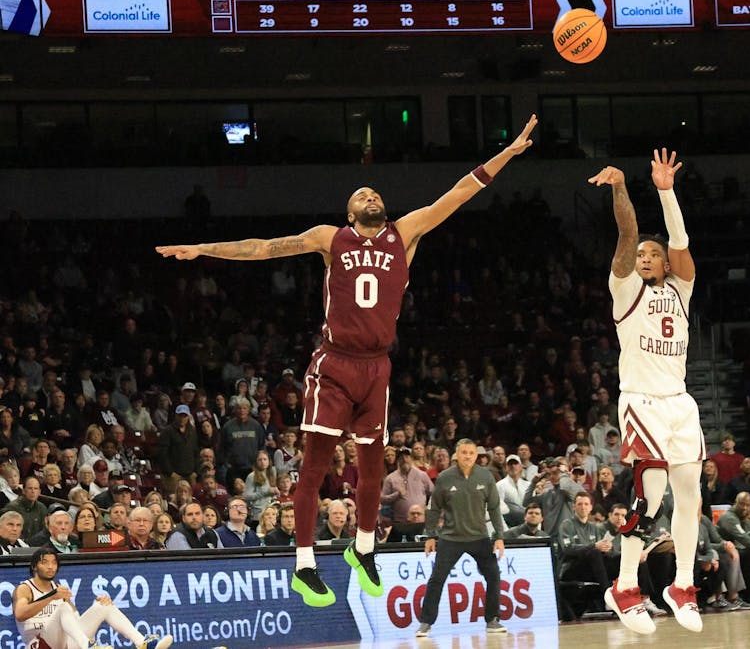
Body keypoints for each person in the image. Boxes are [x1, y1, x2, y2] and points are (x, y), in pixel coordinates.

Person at [157, 115, 537, 607]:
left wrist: (507, 153)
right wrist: (203, 249)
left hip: (377, 366)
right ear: (349, 211)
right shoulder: (328, 237)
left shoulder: (407, 233)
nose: (370, 196)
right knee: (314, 464)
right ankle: (305, 564)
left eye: (374, 193)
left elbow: (459, 193)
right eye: (361, 195)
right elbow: (264, 249)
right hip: (334, 363)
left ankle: (363, 549)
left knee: (372, 467)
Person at [589, 149, 704, 634]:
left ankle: (681, 585)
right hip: (641, 400)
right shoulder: (625, 289)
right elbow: (627, 234)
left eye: (652, 255)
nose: (645, 257)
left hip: (680, 402)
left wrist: (666, 190)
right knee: (650, 494)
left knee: (690, 494)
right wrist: (621, 188)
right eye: (642, 256)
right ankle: (626, 585)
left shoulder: (681, 290)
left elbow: (678, 240)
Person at [417, 439, 506, 637]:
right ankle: (425, 623)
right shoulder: (444, 477)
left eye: (471, 453)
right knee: (436, 579)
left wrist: (499, 536)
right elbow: (433, 508)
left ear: (476, 455)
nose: (467, 456)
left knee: (493, 575)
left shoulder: (486, 476)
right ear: (457, 455)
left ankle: (492, 620)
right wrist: (430, 536)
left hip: (480, 537)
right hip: (451, 538)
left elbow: (493, 508)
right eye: (464, 452)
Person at [14, 547, 172, 649]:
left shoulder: (58, 588)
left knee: (103, 605)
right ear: (34, 566)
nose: (50, 566)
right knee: (62, 607)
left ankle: (142, 643)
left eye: (54, 563)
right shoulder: (25, 588)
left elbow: (74, 621)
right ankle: (88, 646)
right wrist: (51, 597)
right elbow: (20, 614)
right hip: (40, 644)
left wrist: (95, 608)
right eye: (45, 563)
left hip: (67, 644)